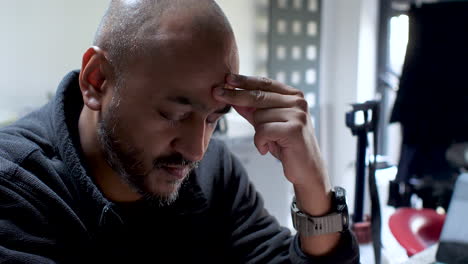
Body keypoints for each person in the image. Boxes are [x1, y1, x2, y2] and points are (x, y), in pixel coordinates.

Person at [0, 0, 359, 263]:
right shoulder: (15, 187)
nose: (196, 149)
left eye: (213, 119)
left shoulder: (213, 172)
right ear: (97, 81)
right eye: (174, 113)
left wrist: (313, 185)